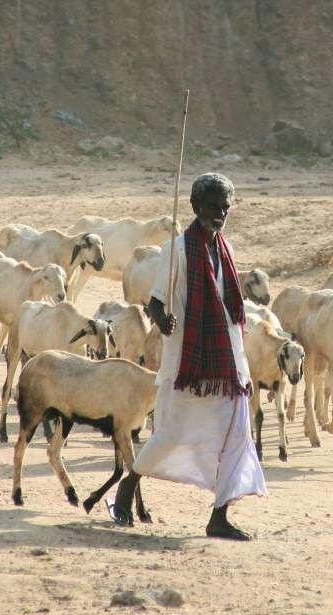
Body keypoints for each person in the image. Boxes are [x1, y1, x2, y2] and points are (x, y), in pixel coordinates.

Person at [110, 172, 267, 540]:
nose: (219, 214)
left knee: (237, 434)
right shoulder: (177, 250)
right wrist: (163, 321)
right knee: (171, 433)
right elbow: (154, 300)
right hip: (188, 362)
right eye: (212, 207)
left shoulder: (225, 249)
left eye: (225, 208)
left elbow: (231, 307)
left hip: (227, 362)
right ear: (196, 207)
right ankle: (127, 487)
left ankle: (219, 517)